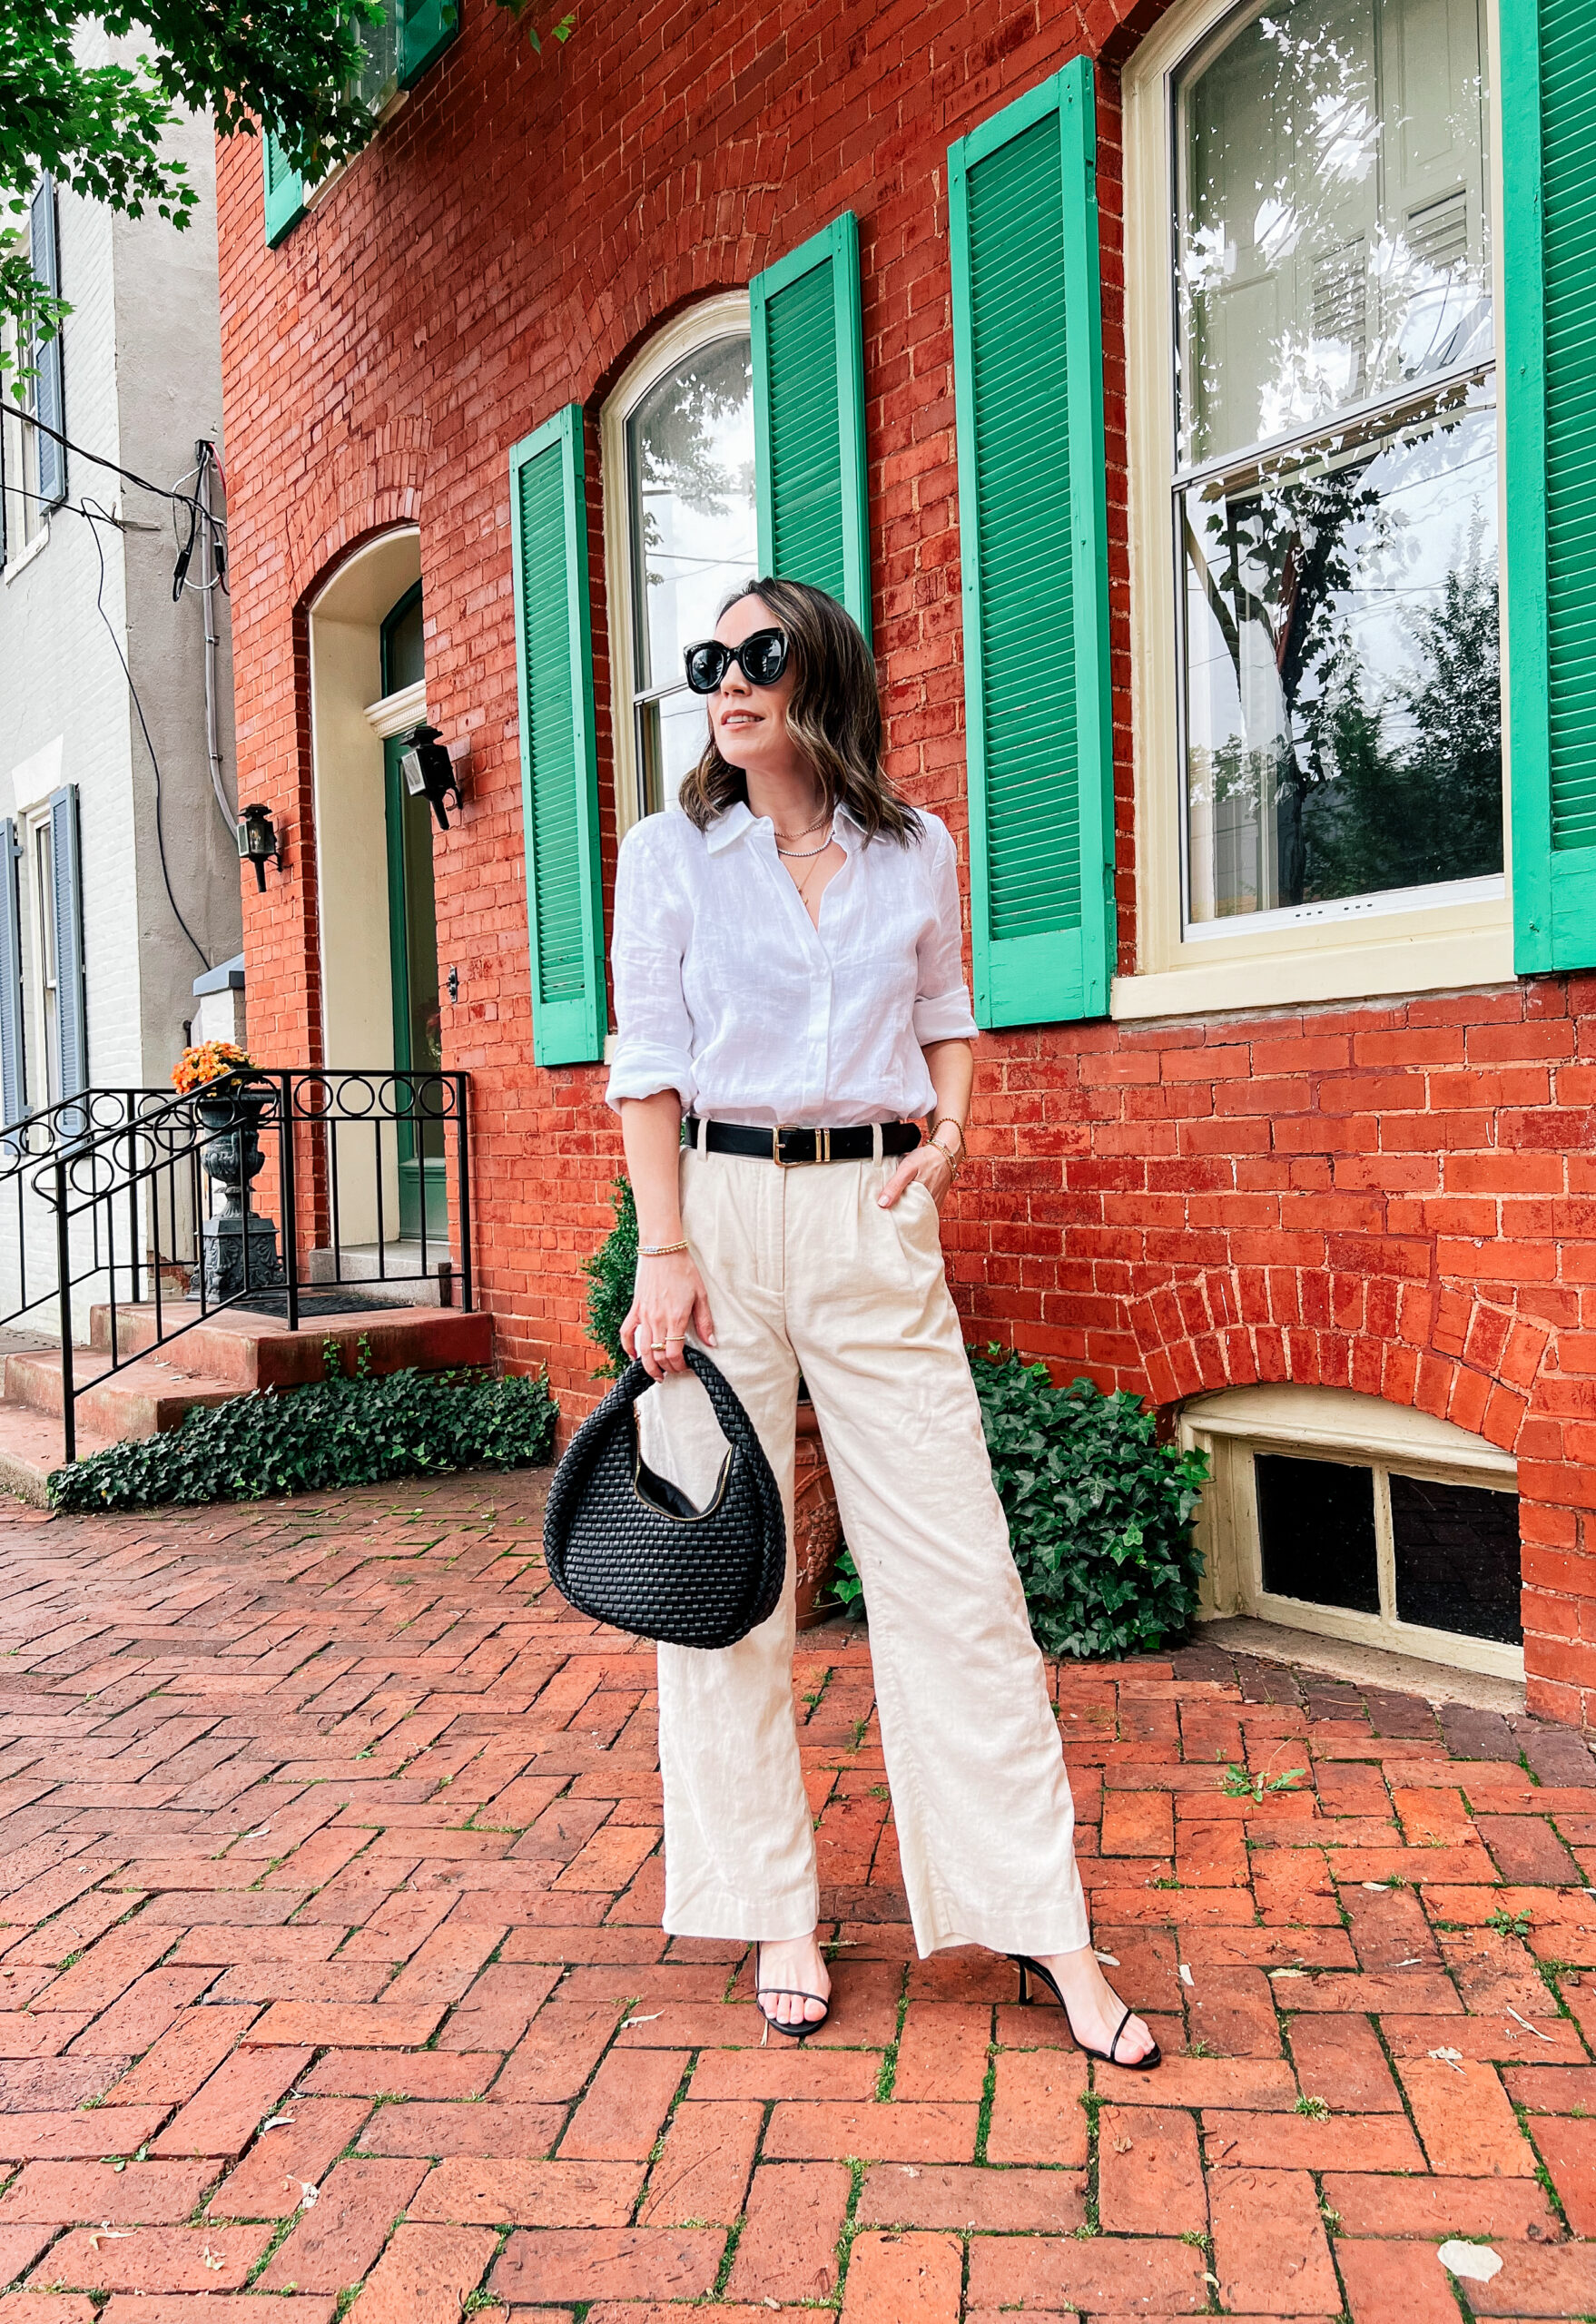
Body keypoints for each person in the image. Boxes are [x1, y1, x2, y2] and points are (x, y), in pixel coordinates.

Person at [604, 576, 1158, 2069]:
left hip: (870, 1217)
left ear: (821, 675)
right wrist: (661, 1248)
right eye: (707, 657)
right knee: (728, 1579)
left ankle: (1040, 1918)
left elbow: (947, 1012)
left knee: (959, 1571)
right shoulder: (668, 854)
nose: (726, 678)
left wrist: (952, 1139)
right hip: (711, 1220)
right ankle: (771, 1904)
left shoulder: (918, 851)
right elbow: (646, 1059)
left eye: (757, 654)